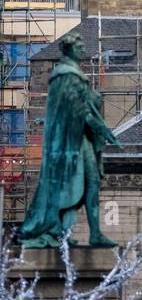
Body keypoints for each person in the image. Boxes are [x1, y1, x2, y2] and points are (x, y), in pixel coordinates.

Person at [18, 31, 123, 249]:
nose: (84, 49)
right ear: (69, 50)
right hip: (68, 141)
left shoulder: (72, 74)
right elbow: (77, 109)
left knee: (90, 182)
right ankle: (61, 229)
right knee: (81, 182)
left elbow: (85, 104)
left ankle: (91, 233)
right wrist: (100, 127)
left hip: (78, 137)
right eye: (79, 46)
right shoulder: (64, 75)